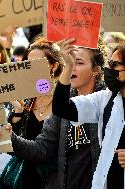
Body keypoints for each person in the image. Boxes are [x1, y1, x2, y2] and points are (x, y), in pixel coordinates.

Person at [0, 37, 107, 189]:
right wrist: (10, 135)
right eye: (70, 61)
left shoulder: (108, 102)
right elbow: (41, 149)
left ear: (96, 70)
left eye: (79, 63)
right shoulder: (63, 107)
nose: (72, 67)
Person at [52, 40, 125, 189]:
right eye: (108, 64)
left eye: (114, 65)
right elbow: (62, 108)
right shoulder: (106, 98)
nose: (108, 69)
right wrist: (68, 66)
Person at [0, 37, 63, 189]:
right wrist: (17, 114)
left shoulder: (65, 100)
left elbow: (43, 150)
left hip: (51, 181)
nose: (30, 68)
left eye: (36, 63)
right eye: (28, 63)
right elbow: (11, 150)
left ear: (53, 66)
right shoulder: (25, 99)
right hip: (20, 180)